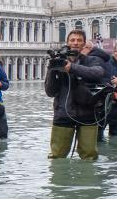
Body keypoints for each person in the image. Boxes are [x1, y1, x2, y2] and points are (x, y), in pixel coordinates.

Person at [44, 29, 107, 160]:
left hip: (88, 114)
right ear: (67, 43)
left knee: (89, 156)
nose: (75, 43)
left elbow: (98, 73)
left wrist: (71, 68)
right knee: (57, 156)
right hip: (63, 114)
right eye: (72, 40)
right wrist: (52, 69)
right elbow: (50, 92)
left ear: (84, 44)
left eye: (79, 40)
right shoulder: (59, 61)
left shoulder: (92, 60)